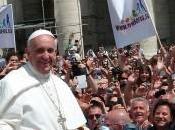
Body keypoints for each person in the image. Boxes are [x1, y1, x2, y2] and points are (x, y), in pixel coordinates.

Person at [0, 29, 86, 130]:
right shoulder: (12, 83)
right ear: (28, 53)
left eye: (50, 50)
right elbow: (3, 124)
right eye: (40, 50)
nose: (46, 56)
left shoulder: (60, 84)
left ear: (55, 53)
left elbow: (78, 124)